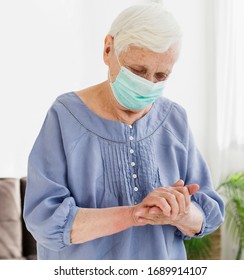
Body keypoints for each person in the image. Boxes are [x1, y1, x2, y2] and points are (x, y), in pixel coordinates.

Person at [23, 4, 224, 260]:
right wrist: (134, 214)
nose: (148, 84)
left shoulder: (174, 119)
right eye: (138, 71)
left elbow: (207, 215)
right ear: (108, 49)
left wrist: (182, 214)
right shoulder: (64, 116)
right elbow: (45, 220)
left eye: (161, 75)